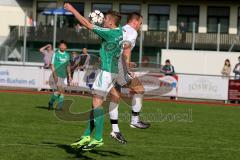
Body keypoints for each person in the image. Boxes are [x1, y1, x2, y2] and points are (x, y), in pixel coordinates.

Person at [64, 3, 123, 151]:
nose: (103, 21)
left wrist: (72, 10)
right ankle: (86, 136)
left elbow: (86, 24)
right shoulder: (120, 32)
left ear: (111, 21)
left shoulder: (109, 32)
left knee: (97, 103)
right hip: (113, 72)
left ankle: (98, 138)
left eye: (105, 19)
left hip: (106, 71)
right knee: (94, 105)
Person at [108, 12, 150, 144]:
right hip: (119, 67)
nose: (140, 26)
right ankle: (135, 120)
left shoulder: (120, 29)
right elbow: (126, 50)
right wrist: (128, 69)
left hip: (109, 65)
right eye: (141, 23)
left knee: (115, 97)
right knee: (139, 89)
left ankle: (115, 130)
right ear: (135, 22)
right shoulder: (132, 32)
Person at [48, 40, 71, 111]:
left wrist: (69, 76)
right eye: (61, 45)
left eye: (64, 45)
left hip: (64, 76)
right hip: (57, 74)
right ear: (59, 46)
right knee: (59, 90)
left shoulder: (67, 55)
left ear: (66, 47)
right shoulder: (56, 54)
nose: (62, 46)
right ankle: (58, 106)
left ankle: (51, 103)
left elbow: (68, 66)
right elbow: (52, 65)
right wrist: (54, 74)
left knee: (61, 92)